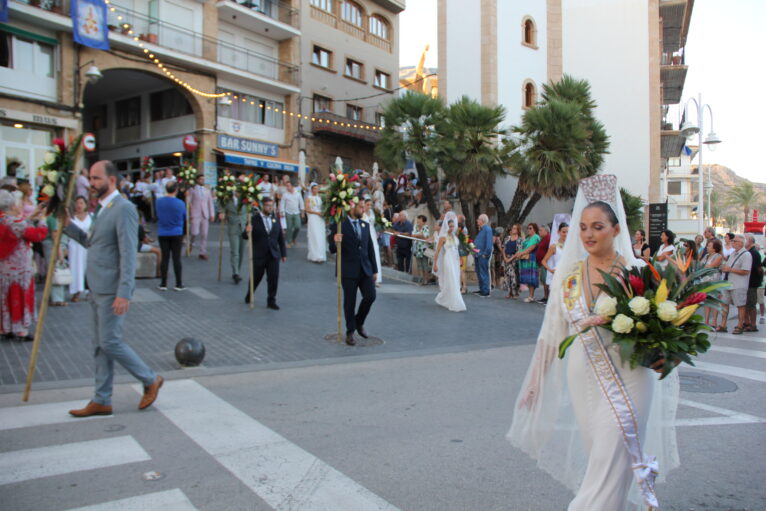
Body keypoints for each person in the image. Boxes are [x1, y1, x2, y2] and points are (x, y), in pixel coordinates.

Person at [509, 174, 680, 511]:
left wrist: (667, 355)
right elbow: (551, 333)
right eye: (583, 227)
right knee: (606, 466)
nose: (588, 234)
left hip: (630, 377)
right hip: (583, 377)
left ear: (617, 229)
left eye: (598, 226)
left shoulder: (637, 271)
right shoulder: (568, 275)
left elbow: (665, 328)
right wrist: (534, 382)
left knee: (609, 461)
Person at [65, 160, 163, 417]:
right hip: (96, 287)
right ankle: (101, 399)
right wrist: (67, 226)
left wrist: (124, 292)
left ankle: (150, 378)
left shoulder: (124, 209)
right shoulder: (102, 209)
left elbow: (128, 254)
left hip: (111, 289)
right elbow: (92, 242)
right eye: (91, 179)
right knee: (99, 345)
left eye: (97, 179)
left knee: (110, 341)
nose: (92, 183)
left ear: (112, 181)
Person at [0, 191, 48, 342]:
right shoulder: (15, 223)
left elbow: (20, 224)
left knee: (5, 297)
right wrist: (42, 219)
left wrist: (33, 214)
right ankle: (21, 330)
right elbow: (37, 235)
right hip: (19, 268)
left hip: (4, 266)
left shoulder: (5, 220)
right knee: (21, 296)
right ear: (13, 205)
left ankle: (5, 328)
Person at [329, 200, 378, 346]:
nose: (363, 210)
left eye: (364, 207)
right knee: (349, 302)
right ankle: (350, 331)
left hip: (365, 269)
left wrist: (374, 270)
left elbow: (369, 249)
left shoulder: (365, 225)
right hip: (348, 270)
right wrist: (335, 240)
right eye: (361, 207)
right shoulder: (340, 224)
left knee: (370, 296)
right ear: (352, 207)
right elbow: (331, 248)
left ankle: (358, 322)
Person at [244, 197, 286, 310]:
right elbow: (244, 236)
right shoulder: (254, 219)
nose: (270, 208)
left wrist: (283, 253)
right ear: (263, 206)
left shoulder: (275, 220)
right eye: (267, 205)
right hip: (259, 253)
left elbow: (280, 238)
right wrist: (247, 230)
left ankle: (271, 299)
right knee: (256, 277)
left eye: (271, 206)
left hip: (273, 254)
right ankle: (250, 293)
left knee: (273, 277)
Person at [155, 181, 186, 291]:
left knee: (165, 257)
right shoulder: (180, 203)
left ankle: (163, 283)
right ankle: (178, 283)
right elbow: (184, 217)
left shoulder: (158, 202)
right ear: (176, 190)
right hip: (176, 232)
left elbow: (157, 215)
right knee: (176, 258)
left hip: (163, 232)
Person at [432, 212, 466, 312]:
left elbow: (457, 248)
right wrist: (435, 264)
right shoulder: (443, 237)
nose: (451, 228)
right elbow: (437, 251)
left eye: (453, 226)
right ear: (446, 226)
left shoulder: (455, 236)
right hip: (448, 260)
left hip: (455, 260)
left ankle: (444, 298)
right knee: (452, 279)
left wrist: (459, 259)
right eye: (450, 226)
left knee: (455, 279)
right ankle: (456, 302)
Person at [720, 234, 752, 335]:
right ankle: (723, 324)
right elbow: (727, 265)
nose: (732, 242)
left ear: (741, 243)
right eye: (732, 241)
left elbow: (746, 271)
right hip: (728, 283)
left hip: (739, 284)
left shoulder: (746, 255)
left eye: (734, 241)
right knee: (724, 303)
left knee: (740, 305)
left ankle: (739, 325)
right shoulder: (733, 253)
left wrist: (730, 269)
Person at [218, 190, 247, 284]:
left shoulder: (246, 200)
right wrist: (221, 212)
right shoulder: (228, 200)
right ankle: (236, 273)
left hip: (244, 228)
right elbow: (221, 205)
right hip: (233, 227)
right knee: (235, 251)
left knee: (241, 251)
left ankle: (237, 269)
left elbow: (252, 210)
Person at [67, 196, 91, 303]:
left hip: (88, 246)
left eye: (81, 203)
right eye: (77, 203)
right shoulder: (71, 219)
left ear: (85, 205)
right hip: (75, 246)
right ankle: (76, 291)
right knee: (76, 268)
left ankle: (89, 291)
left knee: (89, 268)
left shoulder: (91, 217)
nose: (79, 205)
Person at [186, 174, 214, 260]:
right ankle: (191, 243)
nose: (202, 181)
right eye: (201, 179)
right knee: (194, 232)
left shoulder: (207, 190)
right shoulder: (192, 189)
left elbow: (210, 203)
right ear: (197, 180)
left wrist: (212, 214)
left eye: (203, 179)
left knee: (204, 234)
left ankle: (202, 252)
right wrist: (189, 213)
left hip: (205, 214)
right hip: (195, 214)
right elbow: (188, 202)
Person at [700, 238, 724, 330]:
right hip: (705, 281)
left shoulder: (718, 256)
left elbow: (711, 266)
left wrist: (704, 267)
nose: (707, 247)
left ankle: (714, 321)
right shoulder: (706, 256)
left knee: (714, 301)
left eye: (709, 246)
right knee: (706, 301)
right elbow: (700, 265)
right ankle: (706, 321)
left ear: (714, 248)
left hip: (714, 281)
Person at [541, 222, 569, 293]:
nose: (566, 234)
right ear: (558, 232)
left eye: (567, 232)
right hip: (557, 275)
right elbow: (543, 261)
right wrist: (551, 270)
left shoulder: (571, 246)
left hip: (569, 275)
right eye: (563, 232)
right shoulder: (554, 246)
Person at [517, 223, 541, 302]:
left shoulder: (536, 237)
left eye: (530, 228)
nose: (528, 230)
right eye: (528, 228)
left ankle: (531, 296)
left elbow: (530, 248)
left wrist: (520, 253)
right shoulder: (527, 238)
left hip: (531, 259)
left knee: (531, 277)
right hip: (525, 259)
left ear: (535, 229)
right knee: (528, 277)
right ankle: (530, 295)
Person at [744, 234, 762, 332]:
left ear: (750, 240)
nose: (744, 241)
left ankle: (753, 324)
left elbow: (758, 269)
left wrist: (757, 282)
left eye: (745, 239)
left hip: (752, 283)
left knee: (751, 305)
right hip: (748, 283)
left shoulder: (754, 253)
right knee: (747, 304)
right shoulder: (749, 252)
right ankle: (747, 323)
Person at [362, 198, 383, 286]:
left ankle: (376, 278)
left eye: (371, 205)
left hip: (372, 233)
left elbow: (374, 223)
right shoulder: (362, 213)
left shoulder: (372, 212)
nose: (369, 206)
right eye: (368, 205)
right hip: (365, 233)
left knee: (375, 253)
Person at [279, 180, 304, 248]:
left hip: (296, 212)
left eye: (288, 186)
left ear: (292, 186)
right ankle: (289, 242)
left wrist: (302, 212)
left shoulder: (298, 193)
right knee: (289, 228)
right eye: (286, 186)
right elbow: (282, 204)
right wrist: (282, 212)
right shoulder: (285, 194)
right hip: (288, 212)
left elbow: (301, 202)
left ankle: (293, 238)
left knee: (297, 226)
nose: (287, 187)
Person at [305, 183, 326, 263]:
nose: (316, 190)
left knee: (321, 236)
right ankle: (315, 255)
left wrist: (323, 212)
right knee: (315, 236)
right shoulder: (308, 198)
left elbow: (322, 207)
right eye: (314, 188)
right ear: (311, 189)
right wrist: (317, 213)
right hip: (313, 218)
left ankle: (321, 255)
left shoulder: (320, 197)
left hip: (320, 218)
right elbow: (307, 209)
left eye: (317, 188)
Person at [473, 214, 493, 297]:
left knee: (483, 272)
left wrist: (486, 254)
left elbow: (489, 243)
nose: (477, 220)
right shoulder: (482, 230)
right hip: (478, 254)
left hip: (482, 255)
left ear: (482, 220)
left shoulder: (487, 229)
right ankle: (482, 289)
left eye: (478, 219)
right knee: (479, 272)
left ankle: (485, 290)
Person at [502, 223, 523, 299]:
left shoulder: (520, 239)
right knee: (507, 275)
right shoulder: (507, 238)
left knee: (514, 275)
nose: (513, 229)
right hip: (506, 258)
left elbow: (519, 251)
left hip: (514, 259)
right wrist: (505, 257)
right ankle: (509, 292)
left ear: (518, 230)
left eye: (515, 228)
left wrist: (510, 259)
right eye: (513, 228)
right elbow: (503, 248)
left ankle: (515, 293)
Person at [412, 214, 431, 285]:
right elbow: (413, 235)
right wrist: (420, 235)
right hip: (417, 248)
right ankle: (421, 278)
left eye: (419, 221)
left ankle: (426, 279)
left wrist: (418, 235)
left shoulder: (426, 227)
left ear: (424, 222)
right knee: (419, 264)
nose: (418, 222)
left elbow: (425, 236)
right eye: (417, 221)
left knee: (425, 264)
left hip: (423, 248)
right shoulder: (415, 226)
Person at [535, 225, 551, 303]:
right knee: (544, 281)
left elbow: (549, 251)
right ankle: (545, 296)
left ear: (546, 231)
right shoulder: (543, 238)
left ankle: (548, 297)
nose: (539, 232)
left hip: (546, 263)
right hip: (541, 263)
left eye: (541, 230)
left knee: (546, 280)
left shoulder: (548, 238)